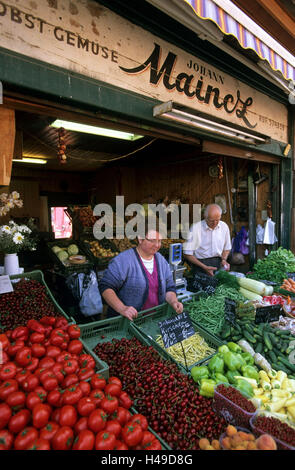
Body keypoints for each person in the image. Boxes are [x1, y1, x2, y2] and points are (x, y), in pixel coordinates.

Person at [99, 219, 183, 320]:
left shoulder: (160, 259)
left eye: (160, 241)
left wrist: (173, 301)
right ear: (140, 239)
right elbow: (106, 287)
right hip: (126, 322)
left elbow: (169, 287)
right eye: (152, 241)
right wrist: (122, 308)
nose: (157, 245)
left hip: (153, 320)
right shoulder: (124, 260)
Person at [183, 204, 231, 277]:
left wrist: (224, 260)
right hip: (200, 265)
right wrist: (204, 267)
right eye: (212, 221)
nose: (215, 223)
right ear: (205, 217)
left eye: (217, 220)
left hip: (218, 264)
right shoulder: (196, 228)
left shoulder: (224, 227)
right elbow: (187, 254)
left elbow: (226, 248)